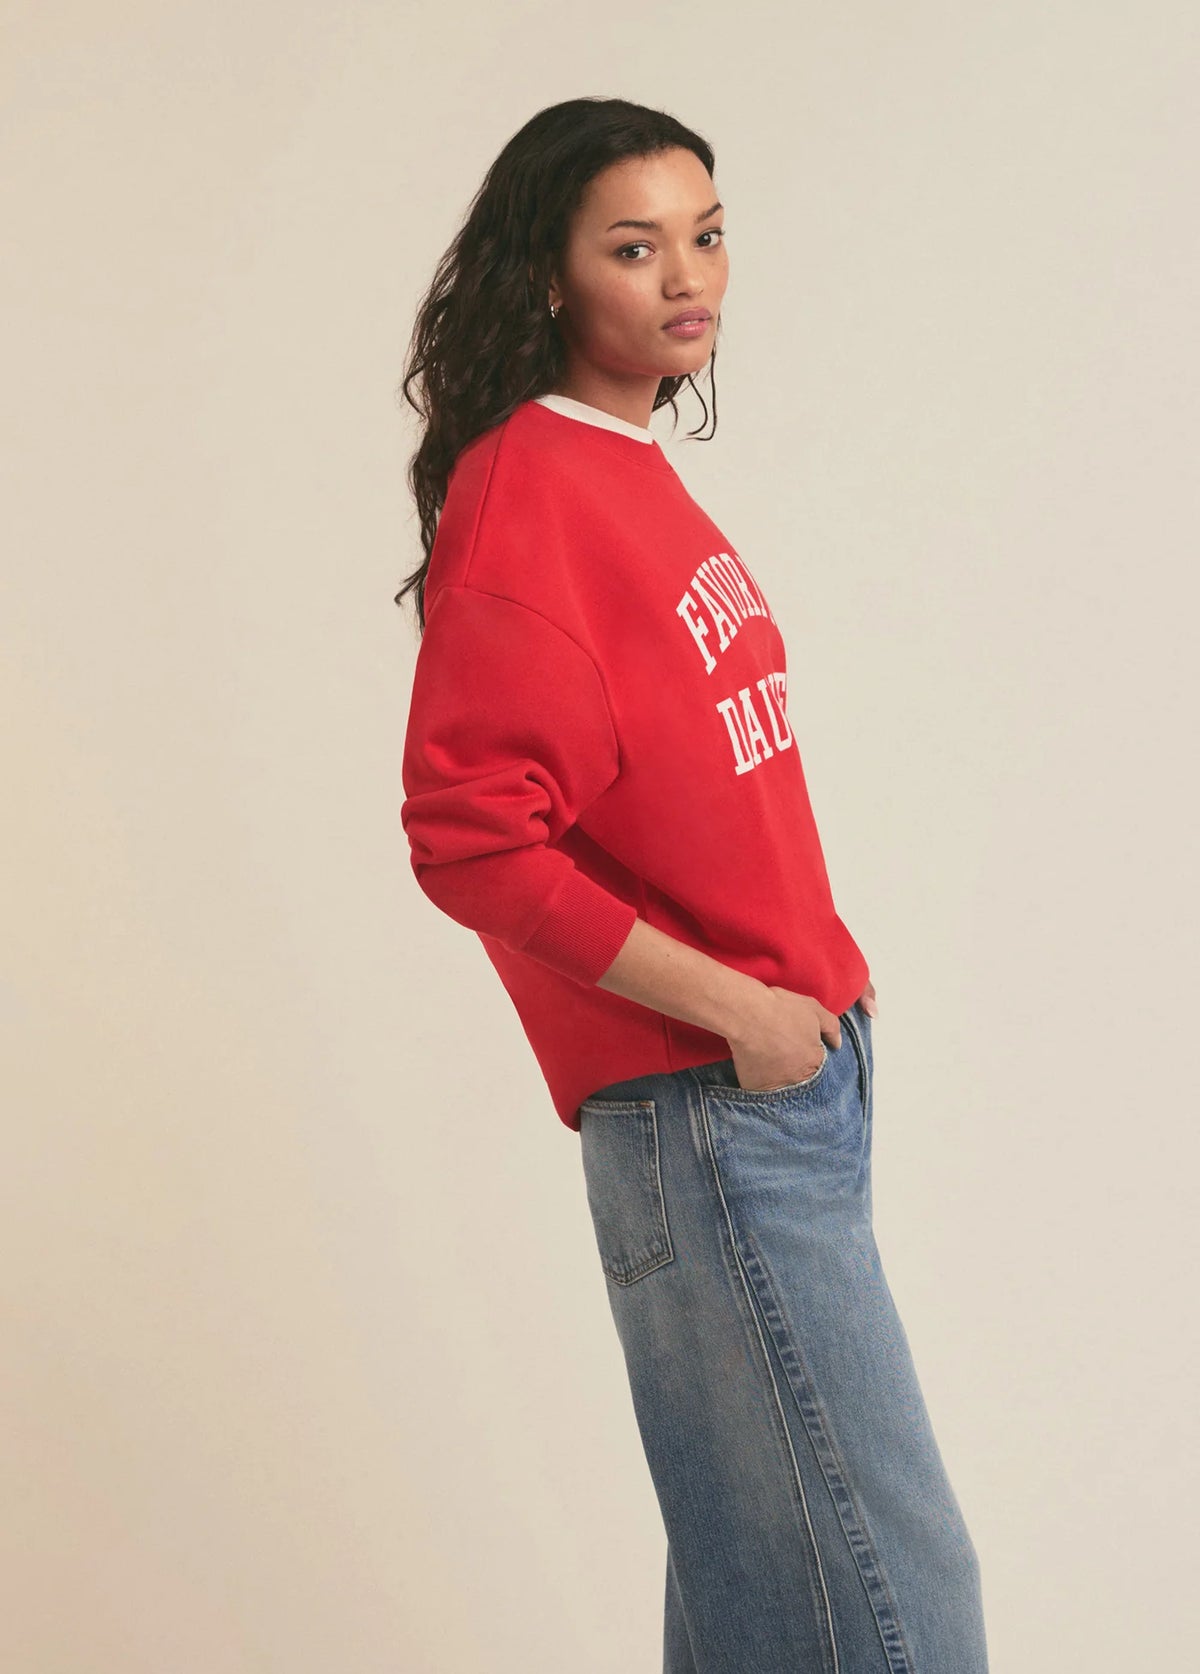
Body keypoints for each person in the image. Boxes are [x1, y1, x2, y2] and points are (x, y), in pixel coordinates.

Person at [396, 95, 989, 1674]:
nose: (686, 277)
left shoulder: (626, 466)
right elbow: (470, 836)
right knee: (898, 1605)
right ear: (548, 275)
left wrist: (815, 991)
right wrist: (742, 1010)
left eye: (707, 236)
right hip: (715, 1106)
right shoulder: (528, 494)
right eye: (634, 247)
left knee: (770, 1606)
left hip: (785, 1087)